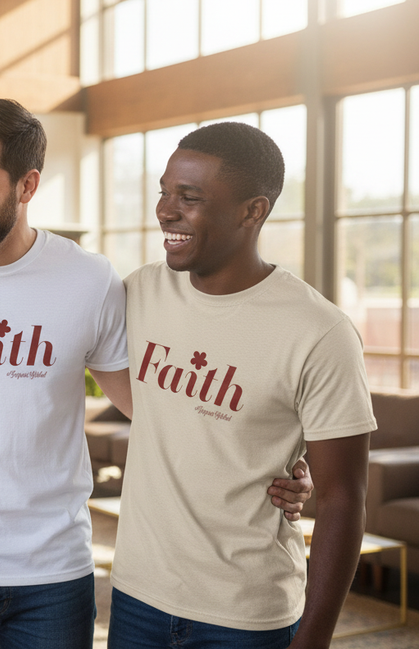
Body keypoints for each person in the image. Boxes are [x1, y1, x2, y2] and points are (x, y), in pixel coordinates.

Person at [0, 99, 314, 649]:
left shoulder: (88, 280)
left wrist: (273, 460)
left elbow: (155, 410)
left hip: (53, 570)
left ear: (27, 185)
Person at [108, 122, 375, 648]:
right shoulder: (140, 292)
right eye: (164, 192)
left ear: (252, 211)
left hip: (247, 614)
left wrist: (315, 638)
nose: (164, 210)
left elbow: (343, 497)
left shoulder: (319, 331)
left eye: (189, 197)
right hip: (137, 597)